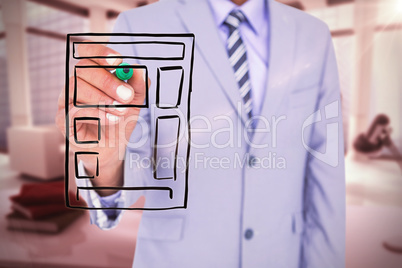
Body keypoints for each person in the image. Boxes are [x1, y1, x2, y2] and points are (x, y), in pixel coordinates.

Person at [56, 0, 346, 267]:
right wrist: (106, 163)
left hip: (280, 256)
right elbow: (137, 161)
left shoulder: (314, 35)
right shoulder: (140, 25)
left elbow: (326, 172)